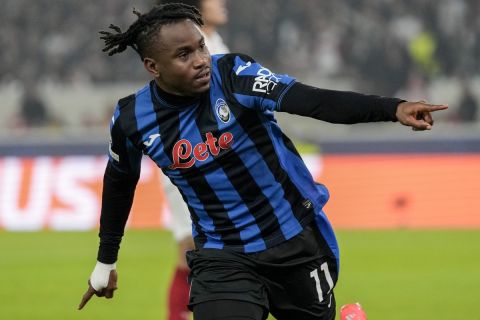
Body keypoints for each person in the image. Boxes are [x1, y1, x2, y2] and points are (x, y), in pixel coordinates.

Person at [78, 4, 447, 319]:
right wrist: (106, 260)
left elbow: (313, 101)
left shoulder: (235, 75)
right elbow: (119, 182)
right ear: (152, 67)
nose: (201, 61)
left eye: (201, 47)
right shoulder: (132, 119)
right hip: (221, 255)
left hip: (293, 240)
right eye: (184, 55)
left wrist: (392, 108)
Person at [157, 1, 229, 319]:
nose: (222, 2)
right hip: (190, 159)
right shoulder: (188, 44)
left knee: (207, 257)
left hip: (211, 158)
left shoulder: (212, 42)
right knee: (193, 255)